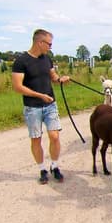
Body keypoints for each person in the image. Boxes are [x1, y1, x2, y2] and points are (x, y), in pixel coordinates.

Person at [12, 29, 70, 184]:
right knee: (36, 140)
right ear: (40, 42)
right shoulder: (21, 61)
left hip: (50, 104)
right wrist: (39, 96)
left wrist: (60, 80)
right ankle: (42, 169)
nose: (50, 47)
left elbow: (53, 77)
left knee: (54, 136)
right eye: (49, 44)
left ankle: (55, 166)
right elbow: (17, 87)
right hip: (32, 107)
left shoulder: (47, 59)